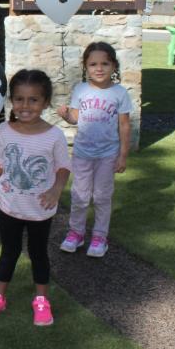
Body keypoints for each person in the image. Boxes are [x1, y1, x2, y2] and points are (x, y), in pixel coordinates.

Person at [0, 69, 71, 326]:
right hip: (10, 207)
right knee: (9, 253)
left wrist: (56, 189)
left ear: (45, 102)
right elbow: (0, 162)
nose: (25, 106)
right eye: (19, 99)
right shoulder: (4, 130)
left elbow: (63, 167)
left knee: (38, 255)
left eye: (33, 100)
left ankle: (41, 301)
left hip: (40, 210)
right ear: (12, 100)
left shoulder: (54, 135)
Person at [57, 42, 132, 258]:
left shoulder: (119, 93)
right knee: (79, 195)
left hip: (108, 156)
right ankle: (76, 233)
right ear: (85, 67)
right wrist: (65, 115)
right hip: (82, 154)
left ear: (114, 66)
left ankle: (100, 237)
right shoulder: (80, 90)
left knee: (102, 196)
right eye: (93, 64)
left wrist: (123, 155)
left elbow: (124, 126)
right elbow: (75, 119)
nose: (99, 68)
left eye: (104, 63)